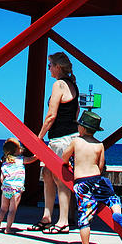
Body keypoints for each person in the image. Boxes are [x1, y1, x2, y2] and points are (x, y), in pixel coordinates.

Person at [62, 111, 122, 244]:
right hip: (97, 179)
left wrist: (68, 164)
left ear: (82, 128)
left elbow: (64, 157)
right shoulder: (99, 145)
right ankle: (117, 213)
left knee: (84, 217)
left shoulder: (76, 142)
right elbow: (100, 166)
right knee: (112, 198)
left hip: (82, 182)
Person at [28, 51, 80, 233]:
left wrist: (39, 137)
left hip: (60, 139)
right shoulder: (73, 85)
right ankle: (47, 216)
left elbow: (51, 115)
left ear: (58, 67)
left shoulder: (58, 84)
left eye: (50, 65)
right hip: (68, 136)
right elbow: (76, 114)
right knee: (48, 174)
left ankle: (63, 220)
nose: (48, 68)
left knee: (60, 177)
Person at [0, 137, 33, 233]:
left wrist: (6, 184)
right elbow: (31, 159)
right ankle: (8, 228)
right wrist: (38, 155)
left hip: (6, 188)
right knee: (12, 210)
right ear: (16, 151)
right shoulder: (21, 160)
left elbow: (1, 178)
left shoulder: (5, 163)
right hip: (17, 188)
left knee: (2, 208)